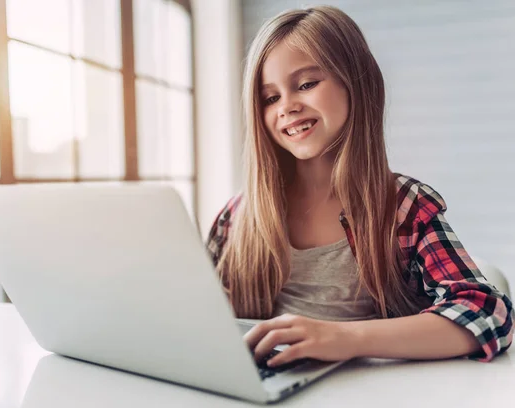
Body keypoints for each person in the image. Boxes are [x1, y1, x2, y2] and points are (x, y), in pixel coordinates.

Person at [205, 6, 513, 368]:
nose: (287, 106)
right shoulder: (237, 218)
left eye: (306, 84)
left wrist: (345, 338)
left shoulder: (403, 207)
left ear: (356, 82)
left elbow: (488, 313)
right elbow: (193, 318)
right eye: (270, 98)